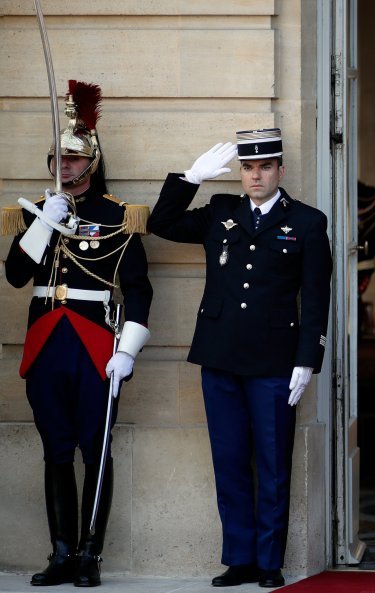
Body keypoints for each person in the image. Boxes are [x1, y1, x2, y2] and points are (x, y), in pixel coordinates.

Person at [147, 129, 332, 588]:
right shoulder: (221, 212)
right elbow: (161, 224)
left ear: (280, 171)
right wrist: (190, 177)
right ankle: (240, 559)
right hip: (221, 355)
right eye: (248, 168)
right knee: (229, 462)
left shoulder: (307, 222)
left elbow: (315, 298)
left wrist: (307, 360)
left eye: (265, 167)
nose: (255, 175)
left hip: (274, 361)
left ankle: (270, 562)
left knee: (272, 464)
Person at [2, 80, 153, 587]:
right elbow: (17, 276)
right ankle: (60, 553)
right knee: (56, 449)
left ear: (92, 163)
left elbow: (140, 290)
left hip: (94, 345)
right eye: (58, 159)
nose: (64, 167)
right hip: (47, 342)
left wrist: (126, 351)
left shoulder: (117, 216)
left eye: (73, 159)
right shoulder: (35, 213)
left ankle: (90, 554)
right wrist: (45, 222)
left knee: (96, 449)